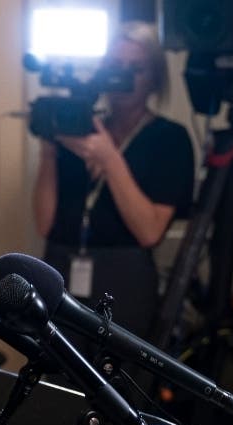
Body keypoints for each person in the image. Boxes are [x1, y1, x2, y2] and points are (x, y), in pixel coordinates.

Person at [31, 21, 195, 337]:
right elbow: (44, 224)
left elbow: (149, 232)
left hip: (124, 279)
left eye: (137, 68)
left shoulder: (169, 139)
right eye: (114, 66)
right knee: (56, 375)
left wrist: (110, 159)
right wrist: (49, 151)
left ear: (154, 80)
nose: (123, 77)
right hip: (61, 269)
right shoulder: (80, 127)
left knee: (119, 378)